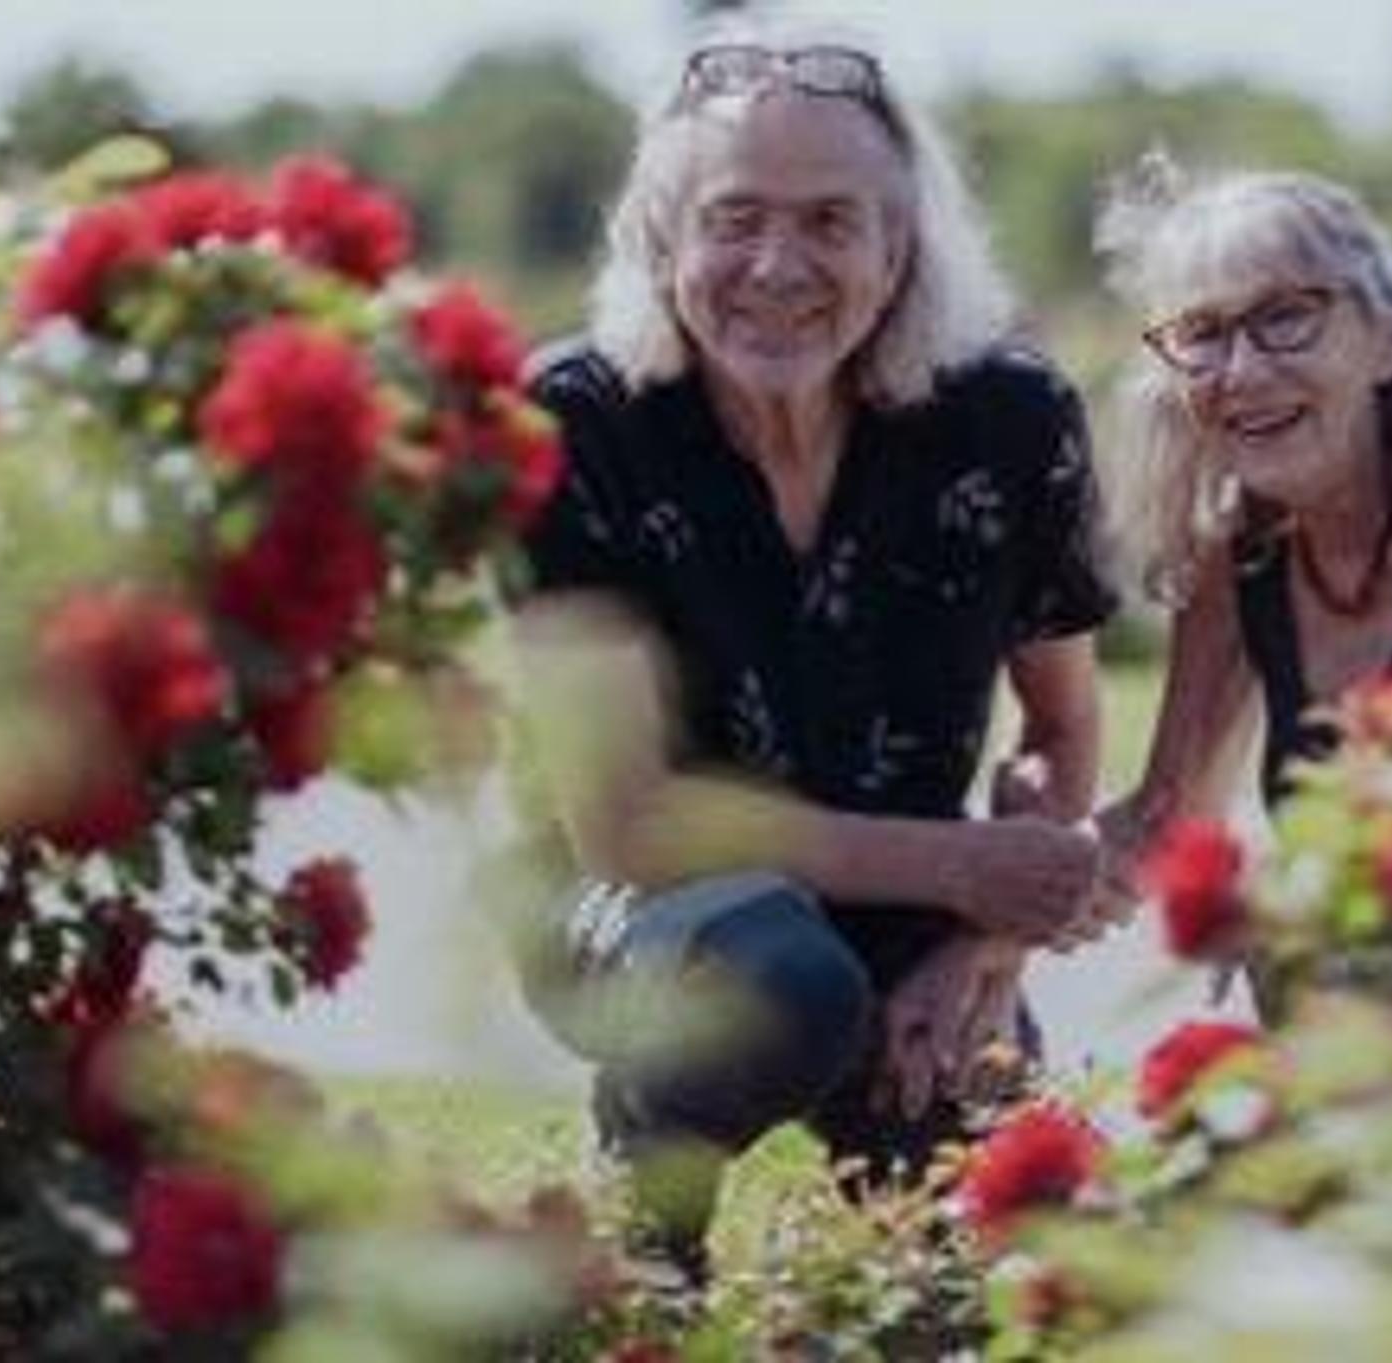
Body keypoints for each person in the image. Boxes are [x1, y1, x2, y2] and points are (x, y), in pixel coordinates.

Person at [507, 27, 1118, 1268]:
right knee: (787, 980)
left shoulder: (1009, 420)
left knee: (1017, 1251)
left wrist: (977, 947)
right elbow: (626, 822)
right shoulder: (575, 421)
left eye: (832, 221)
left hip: (905, 913)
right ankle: (638, 1216)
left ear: (899, 250)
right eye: (732, 219)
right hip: (633, 908)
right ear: (660, 238)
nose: (776, 264)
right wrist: (957, 867)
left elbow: (1058, 727)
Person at [1091, 161, 1392, 870]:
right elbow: (1166, 822)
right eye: (1203, 332)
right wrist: (985, 911)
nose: (1240, 372)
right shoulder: (1237, 561)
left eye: (1285, 316)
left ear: (1388, 342)